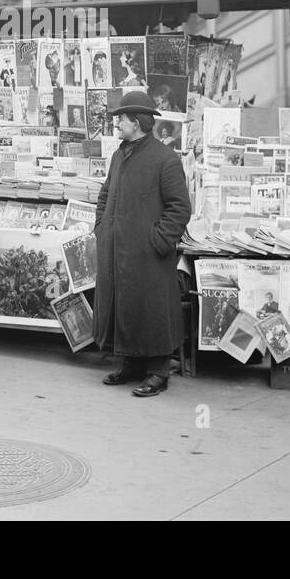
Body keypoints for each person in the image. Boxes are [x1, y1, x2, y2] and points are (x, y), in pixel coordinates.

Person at [94, 91, 192, 397]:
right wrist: (101, 228)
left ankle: (158, 372)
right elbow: (105, 195)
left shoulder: (165, 159)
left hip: (149, 255)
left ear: (136, 122)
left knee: (150, 311)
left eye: (121, 118)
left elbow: (180, 208)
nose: (117, 123)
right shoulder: (118, 155)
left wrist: (157, 242)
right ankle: (132, 365)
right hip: (116, 251)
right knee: (125, 307)